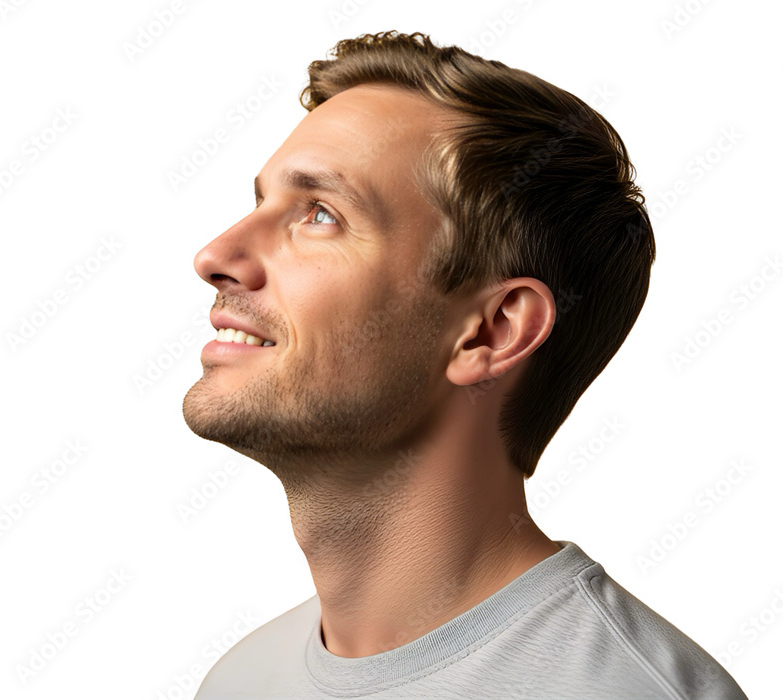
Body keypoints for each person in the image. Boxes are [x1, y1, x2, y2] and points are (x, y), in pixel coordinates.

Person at [181, 31, 747, 699]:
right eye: (260, 204)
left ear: (491, 330)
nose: (215, 255)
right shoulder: (243, 680)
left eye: (320, 214)